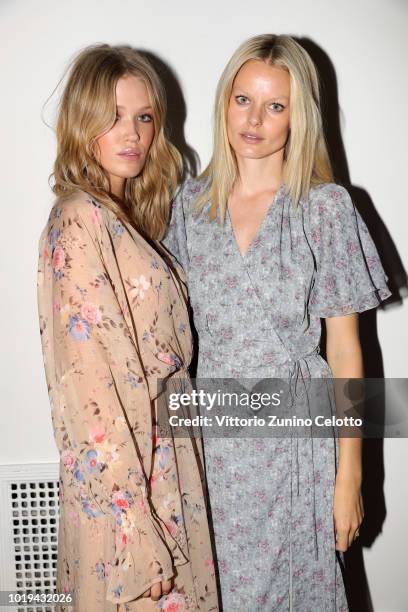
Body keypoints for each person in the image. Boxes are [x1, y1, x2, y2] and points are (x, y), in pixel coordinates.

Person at [163, 34, 391, 611]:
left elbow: (346, 352)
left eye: (276, 105)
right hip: (214, 447)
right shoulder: (188, 207)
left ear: (299, 116)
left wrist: (350, 477)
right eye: (243, 100)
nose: (255, 120)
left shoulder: (325, 207)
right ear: (223, 102)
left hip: (296, 443)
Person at [37, 44, 218, 612]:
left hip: (165, 470)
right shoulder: (80, 221)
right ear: (82, 121)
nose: (133, 133)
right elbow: (92, 398)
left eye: (144, 117)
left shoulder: (123, 219)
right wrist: (135, 538)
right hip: (134, 502)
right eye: (113, 116)